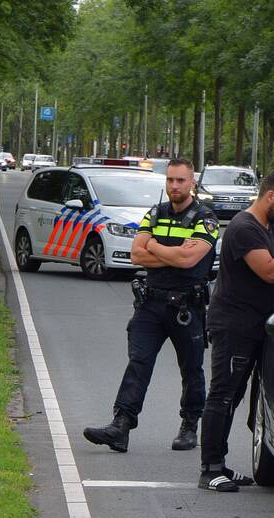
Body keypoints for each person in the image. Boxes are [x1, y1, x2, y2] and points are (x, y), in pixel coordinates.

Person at [198, 170, 274, 492]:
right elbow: (269, 271)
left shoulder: (269, 225)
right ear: (270, 196)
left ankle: (220, 464)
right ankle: (210, 469)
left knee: (235, 396)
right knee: (223, 395)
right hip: (234, 327)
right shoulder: (244, 228)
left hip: (254, 326)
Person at [83, 158, 218, 453]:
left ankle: (189, 425)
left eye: (180, 180)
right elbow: (136, 255)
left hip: (187, 307)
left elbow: (189, 260)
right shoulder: (155, 212)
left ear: (192, 183)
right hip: (151, 303)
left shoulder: (204, 218)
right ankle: (121, 424)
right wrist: (171, 252)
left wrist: (155, 247)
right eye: (170, 180)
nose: (174, 186)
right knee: (139, 362)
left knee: (191, 369)